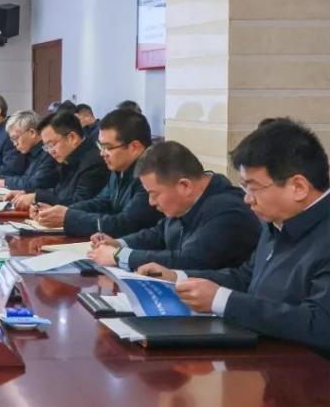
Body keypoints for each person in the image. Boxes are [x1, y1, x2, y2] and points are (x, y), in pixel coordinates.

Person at [138, 120, 330, 355]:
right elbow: (246, 278)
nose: (247, 199)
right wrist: (177, 278)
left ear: (298, 187)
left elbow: (320, 325)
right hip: (262, 356)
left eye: (254, 188)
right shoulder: (277, 223)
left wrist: (223, 301)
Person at [87, 141, 260, 271]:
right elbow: (160, 233)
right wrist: (119, 244)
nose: (151, 202)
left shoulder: (228, 211)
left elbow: (188, 260)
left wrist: (119, 256)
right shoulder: (187, 203)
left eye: (154, 194)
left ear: (185, 186)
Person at [34, 109, 162, 237]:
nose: (102, 153)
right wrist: (61, 212)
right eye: (101, 146)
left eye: (108, 147)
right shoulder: (119, 168)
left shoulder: (152, 175)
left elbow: (125, 224)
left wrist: (69, 217)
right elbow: (101, 202)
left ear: (134, 147)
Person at [8, 110, 108, 210]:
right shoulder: (68, 156)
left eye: (52, 144)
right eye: (46, 146)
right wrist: (27, 193)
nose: (50, 151)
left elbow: (78, 204)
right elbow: (59, 193)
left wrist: (37, 197)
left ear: (72, 138)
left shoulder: (94, 162)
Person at [0, 110, 58, 191]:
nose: (15, 144)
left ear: (32, 133)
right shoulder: (31, 152)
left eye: (15, 138)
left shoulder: (49, 152)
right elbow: (24, 178)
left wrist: (4, 182)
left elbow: (36, 184)